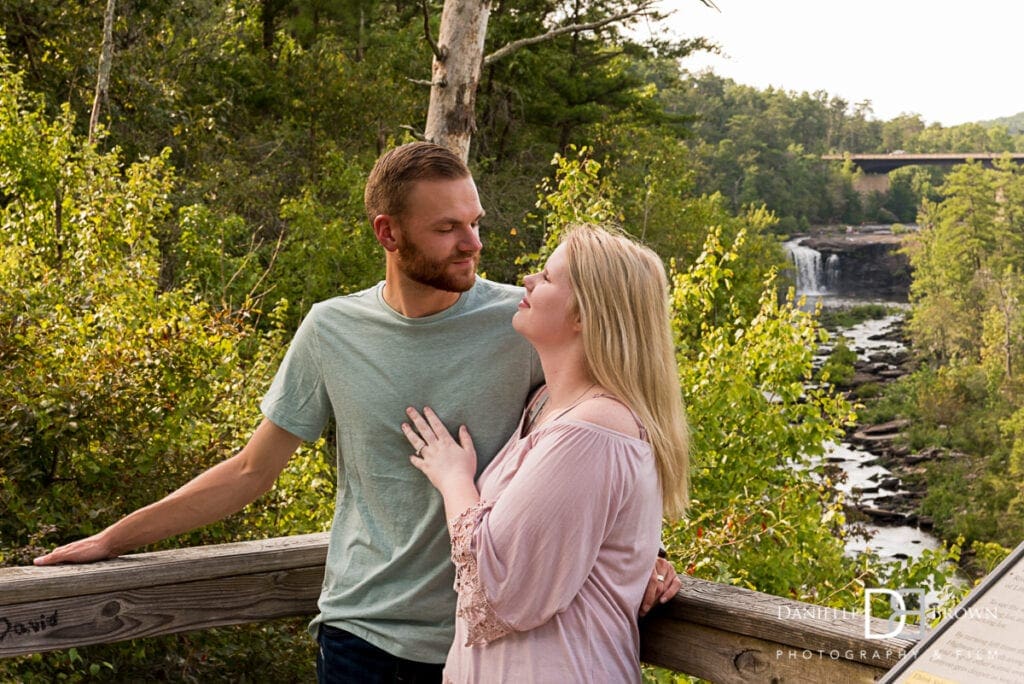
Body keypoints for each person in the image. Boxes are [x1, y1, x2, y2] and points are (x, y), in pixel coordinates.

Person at [33, 143, 681, 682]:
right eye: (447, 228)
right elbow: (249, 473)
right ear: (387, 232)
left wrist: (642, 550)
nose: (474, 243)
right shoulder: (331, 331)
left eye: (475, 221)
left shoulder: (521, 323)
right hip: (362, 638)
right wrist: (114, 540)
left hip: (491, 646)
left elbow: (605, 432)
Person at [401, 224, 690, 682]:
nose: (529, 281)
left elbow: (500, 589)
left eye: (549, 277)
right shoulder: (546, 406)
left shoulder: (594, 429)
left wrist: (454, 478)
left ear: (584, 315)